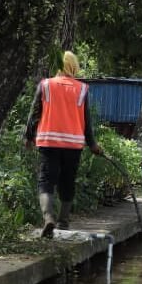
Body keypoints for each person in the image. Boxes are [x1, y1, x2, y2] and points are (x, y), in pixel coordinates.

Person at [26, 51, 103, 238]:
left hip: (48, 142)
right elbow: (87, 121)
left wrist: (28, 136)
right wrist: (92, 144)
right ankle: (64, 222)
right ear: (74, 66)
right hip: (73, 145)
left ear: (59, 65)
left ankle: (48, 219)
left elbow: (35, 112)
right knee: (67, 181)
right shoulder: (82, 89)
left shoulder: (45, 85)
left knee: (46, 181)